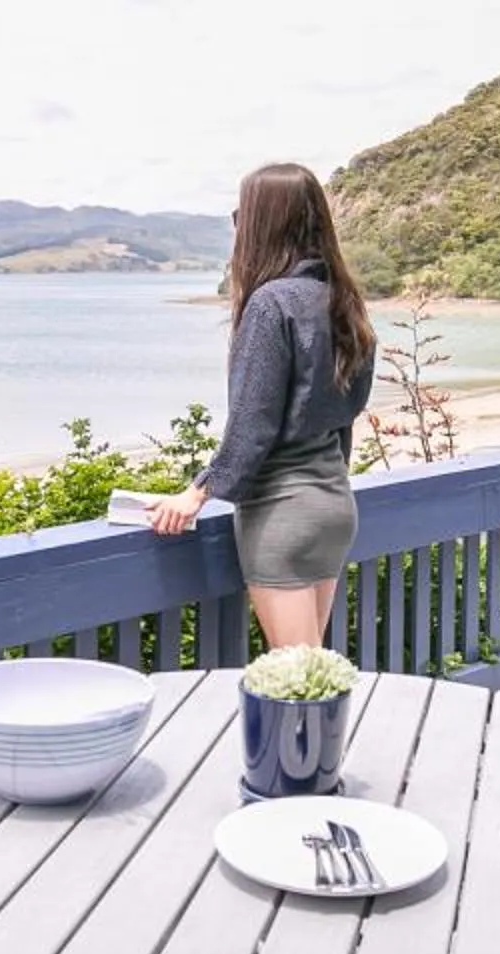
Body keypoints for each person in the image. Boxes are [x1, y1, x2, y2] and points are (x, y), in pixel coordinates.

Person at [147, 162, 378, 649]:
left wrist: (197, 493)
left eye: (241, 217)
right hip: (335, 504)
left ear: (261, 225)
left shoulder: (272, 303)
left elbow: (254, 421)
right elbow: (347, 413)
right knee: (316, 671)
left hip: (282, 512)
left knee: (299, 681)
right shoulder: (342, 300)